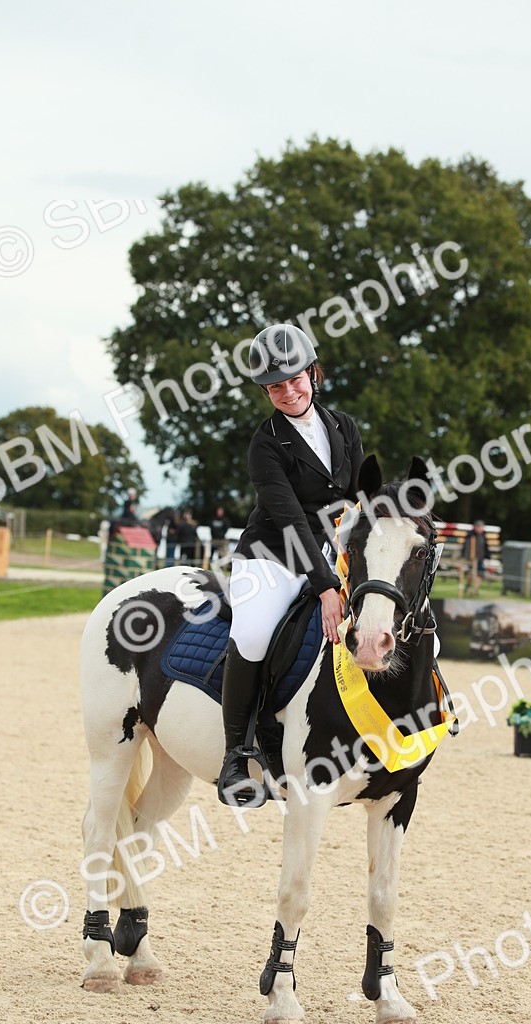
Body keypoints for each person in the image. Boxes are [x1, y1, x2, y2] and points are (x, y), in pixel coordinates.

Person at [217, 323, 364, 807]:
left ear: (313, 373)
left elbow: (357, 502)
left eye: (295, 379)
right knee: (255, 633)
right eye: (275, 387)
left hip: (330, 551)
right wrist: (325, 588)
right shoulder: (266, 443)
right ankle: (236, 754)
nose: (288, 391)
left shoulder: (344, 426)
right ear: (265, 391)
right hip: (272, 556)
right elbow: (290, 520)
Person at [461, 519, 489, 593]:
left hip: (480, 558)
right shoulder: (470, 535)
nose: (481, 528)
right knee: (471, 574)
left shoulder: (483, 536)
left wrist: (487, 556)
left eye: (482, 527)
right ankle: (468, 586)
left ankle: (476, 590)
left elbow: (485, 548)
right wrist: (466, 557)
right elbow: (466, 547)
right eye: (479, 527)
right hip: (472, 558)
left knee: (479, 574)